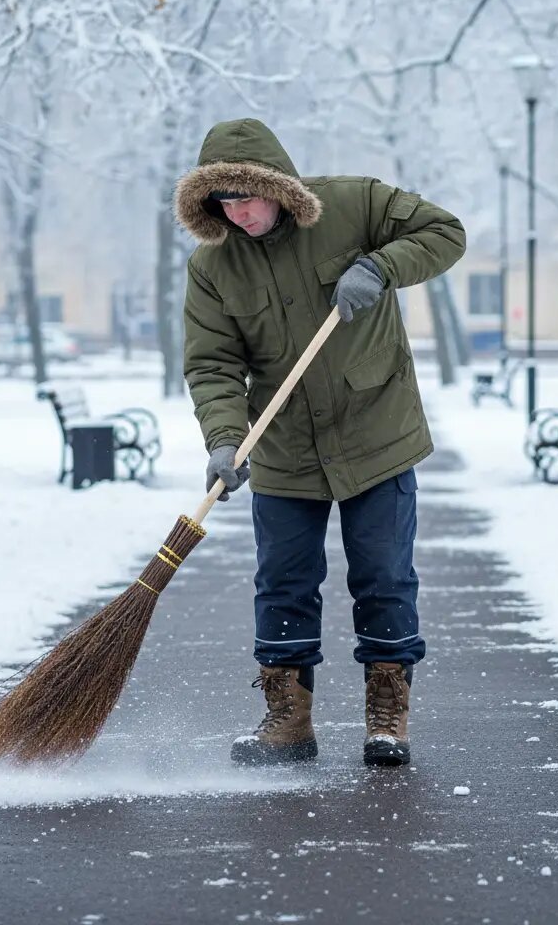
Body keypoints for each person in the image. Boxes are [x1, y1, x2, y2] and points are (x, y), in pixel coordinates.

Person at [175, 118, 466, 767]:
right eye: (221, 202)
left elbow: (445, 233)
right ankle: (288, 718)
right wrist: (225, 440)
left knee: (384, 576)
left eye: (246, 195)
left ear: (277, 185)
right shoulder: (213, 267)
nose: (238, 212)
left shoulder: (354, 204)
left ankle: (387, 713)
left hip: (375, 434)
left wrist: (382, 266)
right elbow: (213, 363)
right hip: (281, 447)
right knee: (282, 583)